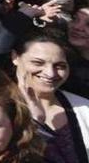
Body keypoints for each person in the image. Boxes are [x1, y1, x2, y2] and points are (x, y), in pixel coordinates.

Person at [12, 29, 89, 162]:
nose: (50, 73)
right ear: (15, 58)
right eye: (38, 63)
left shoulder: (84, 108)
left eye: (59, 66)